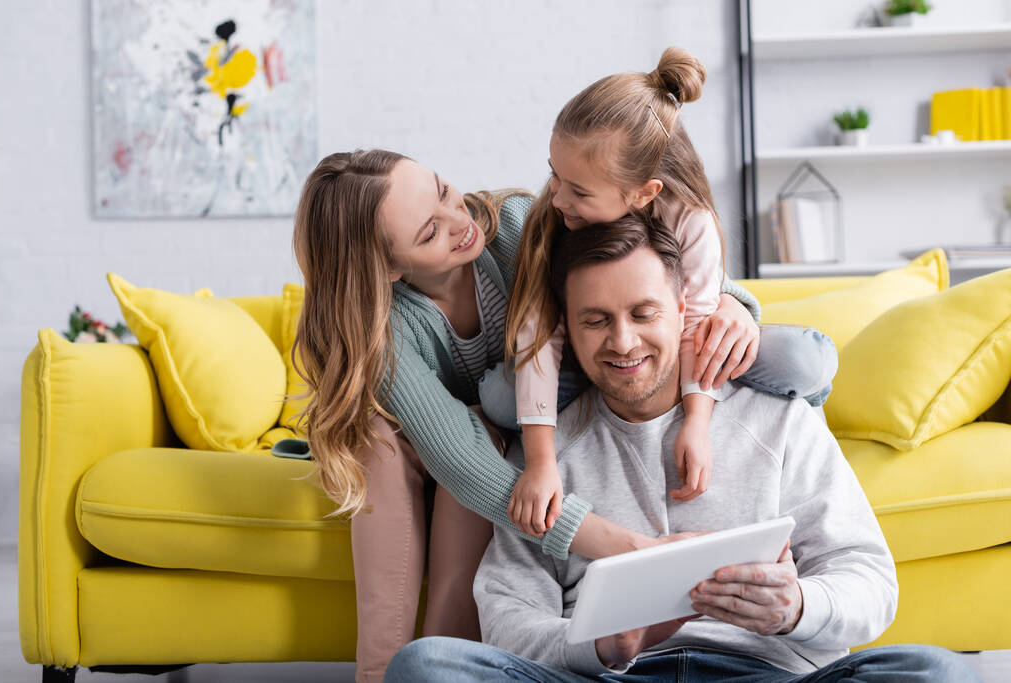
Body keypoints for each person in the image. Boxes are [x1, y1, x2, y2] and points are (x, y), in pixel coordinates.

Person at [385, 214, 978, 682]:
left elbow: (870, 580)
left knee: (942, 672)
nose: (622, 342)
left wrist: (797, 607)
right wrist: (603, 642)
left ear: (685, 311)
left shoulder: (780, 420)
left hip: (767, 672)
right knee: (428, 667)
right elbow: (508, 612)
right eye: (595, 321)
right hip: (610, 677)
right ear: (565, 326)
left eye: (644, 314)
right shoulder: (545, 451)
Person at [290, 150, 764, 681]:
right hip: (436, 445)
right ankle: (383, 673)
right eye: (429, 233)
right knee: (381, 440)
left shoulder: (514, 224)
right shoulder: (381, 330)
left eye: (445, 192)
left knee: (490, 424)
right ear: (389, 267)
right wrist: (635, 551)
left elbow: (638, 264)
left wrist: (732, 303)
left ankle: (453, 659)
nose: (459, 222)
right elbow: (465, 462)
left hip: (510, 419)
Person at [487, 47, 837, 539]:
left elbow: (693, 322)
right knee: (503, 401)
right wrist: (542, 462)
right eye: (553, 175)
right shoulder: (554, 217)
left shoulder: (690, 222)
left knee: (804, 361)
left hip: (682, 344)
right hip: (589, 356)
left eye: (580, 192)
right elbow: (537, 335)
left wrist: (696, 420)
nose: (558, 197)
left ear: (644, 194)